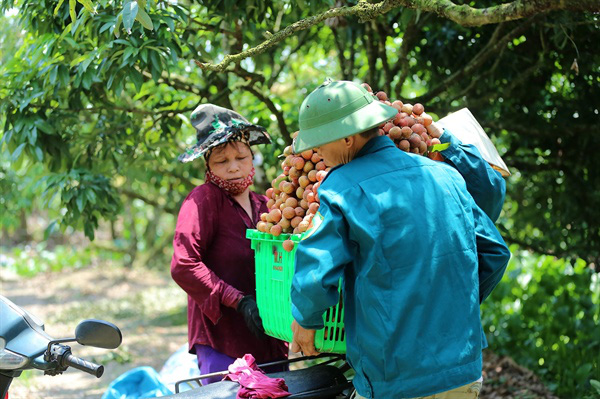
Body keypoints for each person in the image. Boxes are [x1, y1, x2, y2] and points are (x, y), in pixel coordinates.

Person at [289, 80, 511, 398]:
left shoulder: (342, 188)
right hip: (464, 370)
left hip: (395, 378)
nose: (319, 154)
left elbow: (316, 269)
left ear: (348, 138)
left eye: (320, 144)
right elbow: (495, 253)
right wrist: (451, 306)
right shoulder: (447, 176)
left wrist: (305, 320)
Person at [171, 103, 287, 385]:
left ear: (252, 158)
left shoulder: (267, 206)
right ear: (208, 165)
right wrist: (238, 300)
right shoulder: (202, 200)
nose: (234, 167)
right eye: (222, 161)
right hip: (223, 341)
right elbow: (183, 264)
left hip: (270, 337)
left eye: (241, 157)